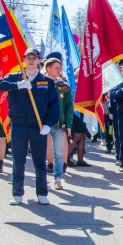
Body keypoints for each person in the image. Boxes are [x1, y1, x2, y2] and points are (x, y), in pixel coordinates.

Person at [0, 48, 59, 205]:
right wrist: (18, 85)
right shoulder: (15, 77)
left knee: (39, 161)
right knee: (19, 161)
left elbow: (54, 107)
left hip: (38, 126)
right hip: (19, 126)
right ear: (24, 59)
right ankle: (17, 194)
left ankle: (42, 193)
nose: (31, 61)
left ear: (39, 60)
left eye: (34, 58)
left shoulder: (47, 81)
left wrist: (48, 125)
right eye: (28, 58)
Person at [43, 56, 74, 190]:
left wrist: (68, 125)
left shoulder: (64, 87)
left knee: (59, 153)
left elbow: (68, 107)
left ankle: (58, 178)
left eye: (60, 68)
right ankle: (42, 181)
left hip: (58, 125)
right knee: (40, 152)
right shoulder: (41, 83)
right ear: (48, 69)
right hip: (42, 124)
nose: (59, 70)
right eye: (56, 68)